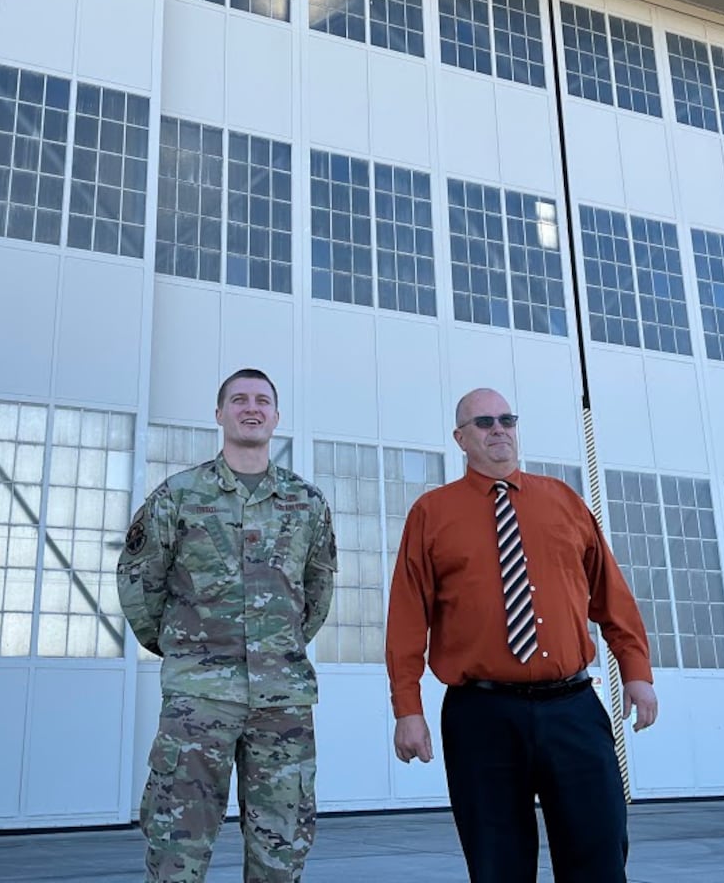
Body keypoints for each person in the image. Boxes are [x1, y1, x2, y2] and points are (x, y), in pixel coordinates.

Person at [385, 386, 657, 883]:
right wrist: (408, 709)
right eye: (484, 423)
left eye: (507, 420)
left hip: (573, 708)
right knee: (497, 864)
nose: (499, 430)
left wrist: (636, 671)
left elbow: (611, 596)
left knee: (599, 853)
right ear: (460, 438)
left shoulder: (565, 502)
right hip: (481, 716)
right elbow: (406, 619)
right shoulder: (431, 513)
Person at [118, 368, 337, 883]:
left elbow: (318, 590)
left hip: (282, 700)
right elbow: (138, 580)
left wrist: (276, 648)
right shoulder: (178, 496)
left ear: (276, 417)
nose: (251, 408)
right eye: (238, 399)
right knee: (178, 845)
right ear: (219, 414)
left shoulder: (307, 504)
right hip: (200, 698)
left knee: (281, 848)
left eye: (262, 400)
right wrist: (182, 651)